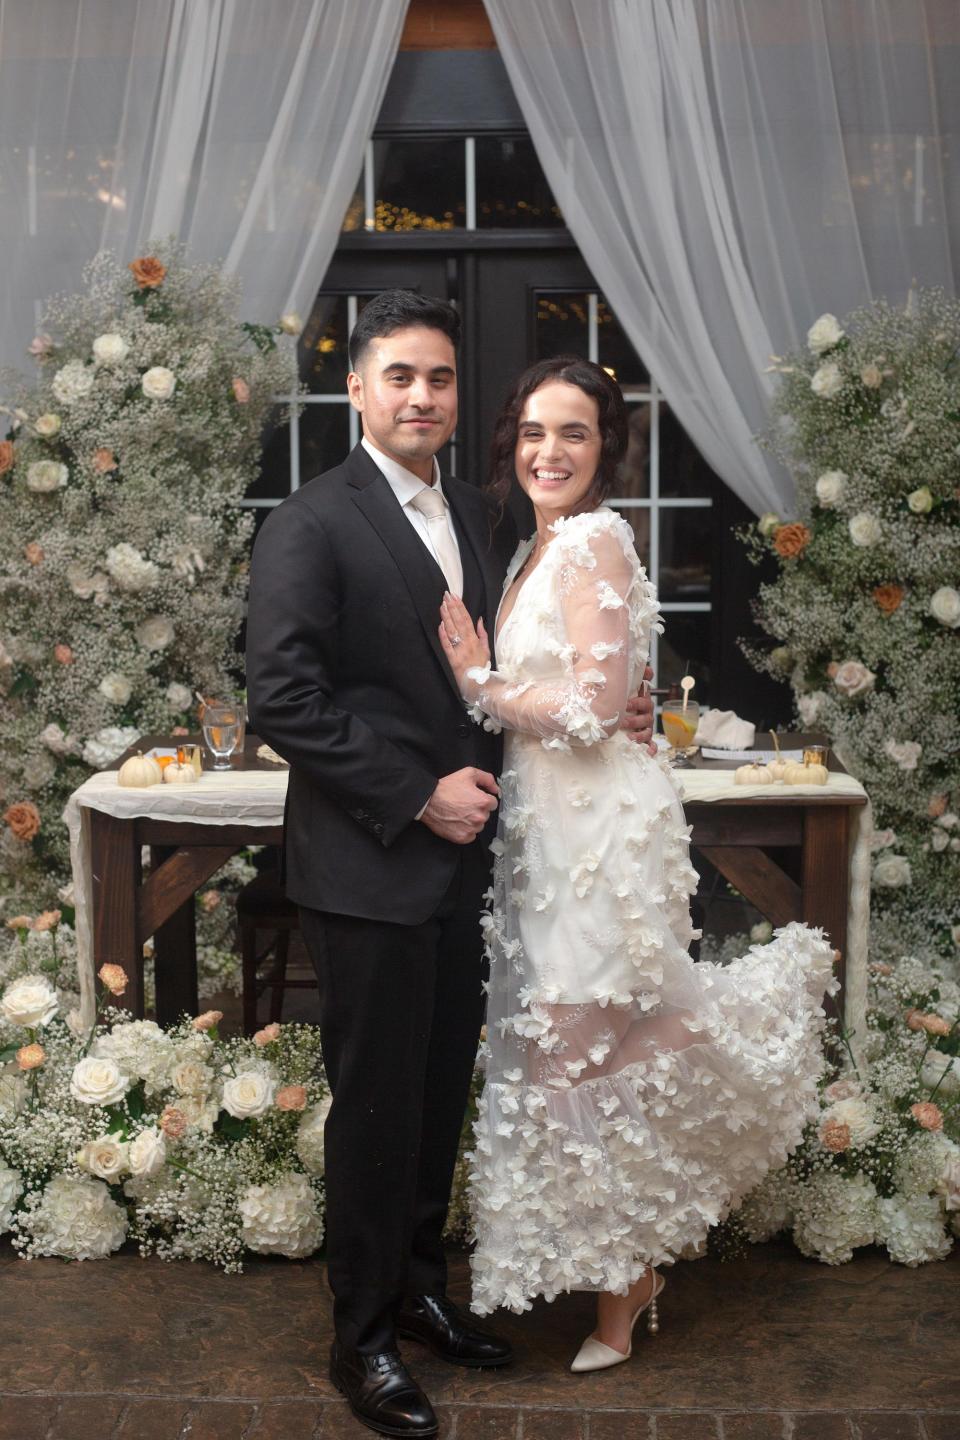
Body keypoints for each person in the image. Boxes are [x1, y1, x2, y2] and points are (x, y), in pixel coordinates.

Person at [246, 292, 655, 1437]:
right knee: (375, 1107)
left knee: (435, 1100)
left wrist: (615, 706)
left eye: (438, 379)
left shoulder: (483, 512)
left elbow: (528, 669)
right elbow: (282, 698)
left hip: (473, 873)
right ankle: (361, 1337)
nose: (421, 396)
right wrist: (414, 792)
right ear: (358, 391)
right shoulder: (311, 522)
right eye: (399, 378)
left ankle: (422, 1291)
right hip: (371, 865)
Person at [437, 356, 836, 1373]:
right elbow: (591, 696)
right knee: (567, 1044)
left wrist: (478, 678)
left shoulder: (596, 540)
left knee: (584, 1046)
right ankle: (623, 1271)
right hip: (546, 829)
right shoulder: (536, 547)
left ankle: (622, 1290)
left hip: (593, 838)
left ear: (605, 448)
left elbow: (585, 708)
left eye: (573, 434)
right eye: (533, 432)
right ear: (509, 443)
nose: (549, 452)